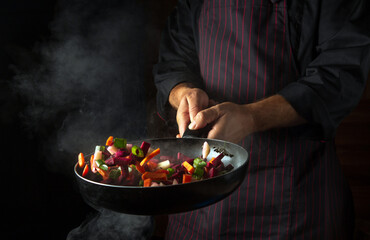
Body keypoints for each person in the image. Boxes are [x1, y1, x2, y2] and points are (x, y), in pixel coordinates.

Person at [153, 0, 370, 239]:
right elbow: (173, 64)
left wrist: (251, 117)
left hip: (295, 205)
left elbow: (338, 76)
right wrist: (184, 93)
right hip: (198, 203)